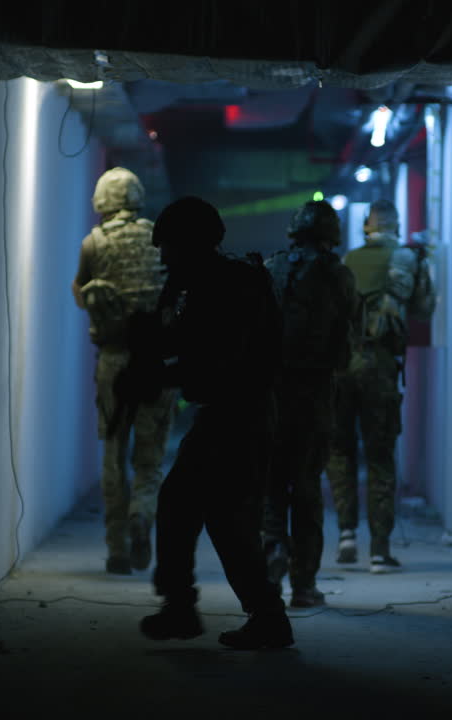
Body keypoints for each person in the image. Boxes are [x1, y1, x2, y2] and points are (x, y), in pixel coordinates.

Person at [121, 195, 294, 649]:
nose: (165, 258)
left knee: (211, 514)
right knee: (201, 511)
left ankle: (235, 613)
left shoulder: (229, 286)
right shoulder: (207, 285)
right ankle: (208, 610)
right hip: (229, 415)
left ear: (192, 244)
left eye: (170, 248)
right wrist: (152, 343)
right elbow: (189, 339)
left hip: (241, 415)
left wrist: (162, 371)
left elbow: (220, 361)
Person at [72, 167, 177, 576]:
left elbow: (81, 295)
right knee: (149, 460)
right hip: (155, 365)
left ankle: (116, 548)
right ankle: (141, 515)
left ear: (102, 201)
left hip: (113, 363)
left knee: (114, 455)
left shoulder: (94, 243)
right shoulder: (158, 240)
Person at [328, 199, 437, 573]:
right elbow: (424, 309)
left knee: (340, 451)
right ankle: (379, 550)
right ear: (397, 225)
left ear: (366, 227)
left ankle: (345, 534)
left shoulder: (347, 261)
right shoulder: (408, 259)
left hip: (341, 367)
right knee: (379, 455)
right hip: (381, 368)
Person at [261, 201, 356, 608]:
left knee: (269, 483)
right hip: (315, 393)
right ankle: (304, 584)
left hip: (271, 393)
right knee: (306, 487)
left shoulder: (270, 268)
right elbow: (350, 337)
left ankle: (271, 557)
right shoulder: (338, 274)